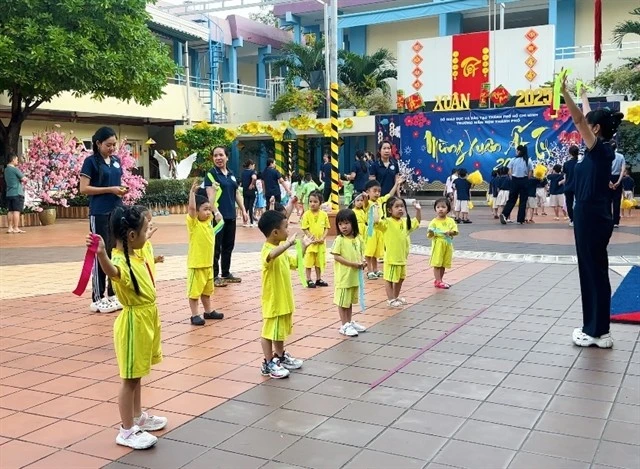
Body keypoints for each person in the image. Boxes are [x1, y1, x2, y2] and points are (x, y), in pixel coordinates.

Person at [87, 205, 166, 449]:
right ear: (131, 236)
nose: (147, 234)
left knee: (137, 373)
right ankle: (126, 430)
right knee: (129, 379)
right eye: (145, 231)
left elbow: (139, 256)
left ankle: (138, 415)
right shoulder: (121, 259)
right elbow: (113, 271)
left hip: (146, 319)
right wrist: (101, 254)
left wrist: (147, 239)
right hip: (134, 324)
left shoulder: (136, 254)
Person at [561, 76, 623, 349]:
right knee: (596, 269)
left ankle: (594, 331)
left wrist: (564, 94)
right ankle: (601, 330)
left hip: (589, 216)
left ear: (595, 129)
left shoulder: (597, 152)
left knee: (591, 271)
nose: (584, 127)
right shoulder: (602, 149)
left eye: (589, 125)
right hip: (597, 214)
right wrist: (583, 93)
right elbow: (586, 117)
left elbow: (578, 120)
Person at [257, 210, 311, 378]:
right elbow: (270, 256)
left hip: (283, 299)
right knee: (269, 333)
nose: (288, 231)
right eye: (286, 227)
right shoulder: (268, 249)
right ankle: (268, 363)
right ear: (275, 232)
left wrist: (303, 247)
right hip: (273, 301)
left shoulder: (281, 250)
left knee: (279, 332)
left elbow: (295, 264)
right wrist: (288, 244)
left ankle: (279, 357)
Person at [80, 127, 127, 314]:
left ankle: (113, 292)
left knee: (115, 252)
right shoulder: (90, 162)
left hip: (117, 211)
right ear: (98, 144)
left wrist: (120, 190)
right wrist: (110, 189)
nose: (112, 148)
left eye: (114, 144)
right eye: (108, 145)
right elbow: (83, 189)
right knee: (100, 253)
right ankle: (97, 297)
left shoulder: (116, 161)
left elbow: (116, 184)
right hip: (99, 212)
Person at [204, 146, 248, 287]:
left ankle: (226, 273)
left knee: (228, 245)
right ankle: (214, 275)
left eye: (221, 155)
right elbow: (210, 196)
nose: (218, 158)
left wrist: (244, 210)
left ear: (227, 157)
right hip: (218, 218)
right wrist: (216, 212)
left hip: (230, 215)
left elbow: (236, 193)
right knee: (216, 246)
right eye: (215, 155)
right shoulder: (211, 174)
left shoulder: (231, 173)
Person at [187, 180, 224, 326]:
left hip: (208, 264)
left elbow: (211, 202)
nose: (208, 212)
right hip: (196, 265)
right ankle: (194, 314)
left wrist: (214, 191)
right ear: (197, 212)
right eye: (204, 209)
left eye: (209, 209)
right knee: (194, 293)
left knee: (207, 291)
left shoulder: (208, 222)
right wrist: (192, 193)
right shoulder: (194, 223)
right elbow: (191, 209)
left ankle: (208, 311)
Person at [376, 196, 421, 307]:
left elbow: (417, 222)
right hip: (392, 258)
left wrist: (418, 210)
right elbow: (376, 222)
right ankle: (390, 299)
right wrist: (375, 209)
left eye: (402, 206)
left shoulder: (405, 222)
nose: (400, 209)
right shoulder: (387, 222)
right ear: (389, 210)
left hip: (402, 258)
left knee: (400, 278)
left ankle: (395, 297)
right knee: (389, 279)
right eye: (397, 206)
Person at [332, 209, 367, 337]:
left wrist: (363, 262)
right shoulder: (339, 240)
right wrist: (353, 264)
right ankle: (344, 325)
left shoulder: (358, 238)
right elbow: (336, 256)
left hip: (354, 277)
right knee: (342, 302)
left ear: (353, 223)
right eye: (340, 224)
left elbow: (361, 253)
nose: (343, 227)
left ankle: (349, 322)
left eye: (346, 223)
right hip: (344, 278)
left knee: (349, 302)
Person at [363, 176, 403, 279]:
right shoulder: (368, 202)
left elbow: (389, 195)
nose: (377, 193)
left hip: (380, 229)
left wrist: (396, 184)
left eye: (378, 191)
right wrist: (365, 198)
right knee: (369, 251)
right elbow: (366, 203)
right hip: (371, 230)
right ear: (368, 191)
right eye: (374, 191)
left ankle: (375, 269)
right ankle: (369, 270)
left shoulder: (380, 201)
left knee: (376, 251)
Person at [301, 191, 330, 288]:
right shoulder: (306, 214)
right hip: (311, 243)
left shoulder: (324, 214)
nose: (312, 204)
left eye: (315, 201)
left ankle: (318, 278)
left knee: (319, 262)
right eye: (310, 201)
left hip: (320, 243)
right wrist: (310, 237)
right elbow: (305, 228)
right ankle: (308, 279)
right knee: (309, 262)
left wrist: (323, 238)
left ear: (320, 203)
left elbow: (327, 227)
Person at [427, 198, 458, 289]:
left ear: (448, 209)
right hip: (438, 244)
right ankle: (438, 281)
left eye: (443, 207)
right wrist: (432, 232)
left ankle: (440, 280)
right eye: (438, 207)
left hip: (447, 243)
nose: (440, 209)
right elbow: (430, 234)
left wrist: (450, 232)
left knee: (443, 263)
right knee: (437, 263)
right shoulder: (434, 222)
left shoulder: (450, 221)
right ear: (435, 209)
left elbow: (455, 231)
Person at [500, 145, 534, 225]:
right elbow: (530, 173)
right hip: (524, 180)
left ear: (519, 151)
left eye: (517, 150)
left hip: (515, 180)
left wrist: (513, 178)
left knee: (512, 199)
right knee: (523, 201)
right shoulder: (528, 160)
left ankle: (504, 214)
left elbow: (509, 171)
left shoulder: (513, 160)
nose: (516, 152)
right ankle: (520, 220)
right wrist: (526, 179)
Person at [134, 207, 164, 277]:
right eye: (148, 220)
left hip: (150, 280)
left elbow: (146, 260)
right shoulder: (138, 244)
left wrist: (155, 260)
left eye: (151, 220)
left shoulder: (147, 242)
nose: (151, 223)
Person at [4, 154, 27, 234]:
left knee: (10, 211)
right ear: (13, 160)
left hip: (9, 193)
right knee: (16, 211)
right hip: (17, 193)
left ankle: (10, 228)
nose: (17, 161)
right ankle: (16, 228)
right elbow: (24, 179)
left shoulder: (6, 169)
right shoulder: (15, 169)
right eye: (17, 160)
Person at [609, 142, 626, 228]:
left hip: (608, 178)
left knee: (607, 201)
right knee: (617, 201)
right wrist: (619, 181)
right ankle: (616, 221)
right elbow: (622, 170)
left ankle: (608, 219)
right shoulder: (621, 156)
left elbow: (604, 169)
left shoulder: (606, 156)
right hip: (617, 177)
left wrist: (609, 181)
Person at [563, 145, 579, 225]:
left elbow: (565, 176)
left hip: (568, 186)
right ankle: (578, 218)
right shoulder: (580, 163)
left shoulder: (566, 164)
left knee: (569, 204)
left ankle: (572, 219)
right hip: (578, 186)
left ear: (570, 153)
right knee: (579, 203)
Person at [241, 160, 258, 227]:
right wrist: (252, 184)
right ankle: (251, 221)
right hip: (251, 191)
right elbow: (254, 177)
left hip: (245, 191)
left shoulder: (243, 172)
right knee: (251, 206)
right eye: (253, 165)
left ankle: (244, 221)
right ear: (251, 165)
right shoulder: (252, 171)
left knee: (245, 206)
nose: (254, 167)